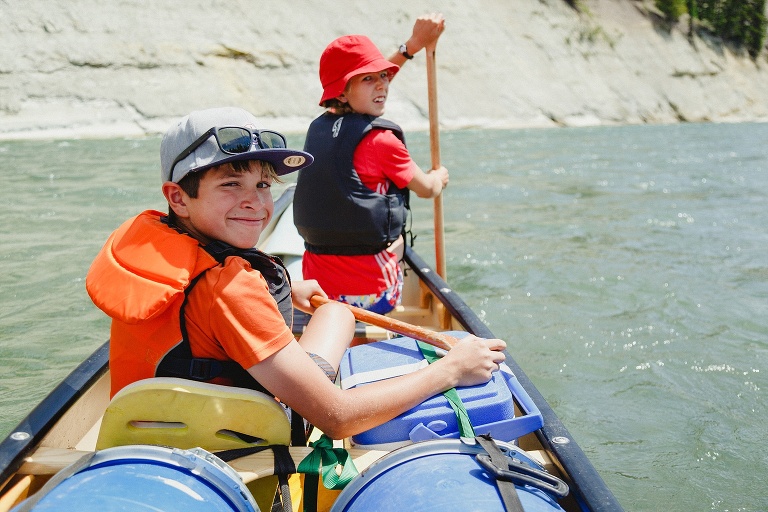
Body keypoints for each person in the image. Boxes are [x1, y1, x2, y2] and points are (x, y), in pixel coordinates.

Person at [86, 106, 506, 440]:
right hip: (235, 438)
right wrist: (450, 370)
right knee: (338, 313)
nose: (255, 203)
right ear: (178, 197)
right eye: (230, 184)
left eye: (262, 185)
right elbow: (338, 418)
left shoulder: (161, 247)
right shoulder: (230, 288)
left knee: (334, 311)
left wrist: (286, 285)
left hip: (147, 431)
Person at [294, 13, 449, 315]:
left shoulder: (319, 128)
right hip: (372, 295)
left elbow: (363, 89)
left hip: (318, 290)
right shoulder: (383, 142)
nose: (382, 86)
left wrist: (411, 47)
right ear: (343, 92)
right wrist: (439, 177)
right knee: (398, 240)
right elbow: (427, 190)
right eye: (369, 78)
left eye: (384, 76)